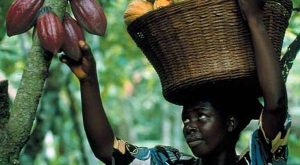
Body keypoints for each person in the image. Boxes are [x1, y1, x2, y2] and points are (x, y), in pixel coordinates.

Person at [60, 0, 291, 164]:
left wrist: (253, 19)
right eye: (186, 119)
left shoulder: (259, 158)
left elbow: (276, 105)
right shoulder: (169, 162)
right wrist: (88, 81)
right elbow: (107, 150)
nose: (189, 126)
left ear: (230, 122)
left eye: (200, 116)